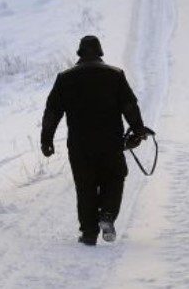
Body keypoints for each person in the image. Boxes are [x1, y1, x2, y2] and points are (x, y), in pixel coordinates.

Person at [41, 35, 148, 245]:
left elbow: (52, 111)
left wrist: (47, 140)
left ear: (79, 54)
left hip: (80, 145)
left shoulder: (65, 78)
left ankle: (89, 233)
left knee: (85, 186)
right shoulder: (115, 75)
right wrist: (138, 129)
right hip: (111, 143)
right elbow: (129, 106)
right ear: (100, 53)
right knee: (114, 177)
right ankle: (107, 215)